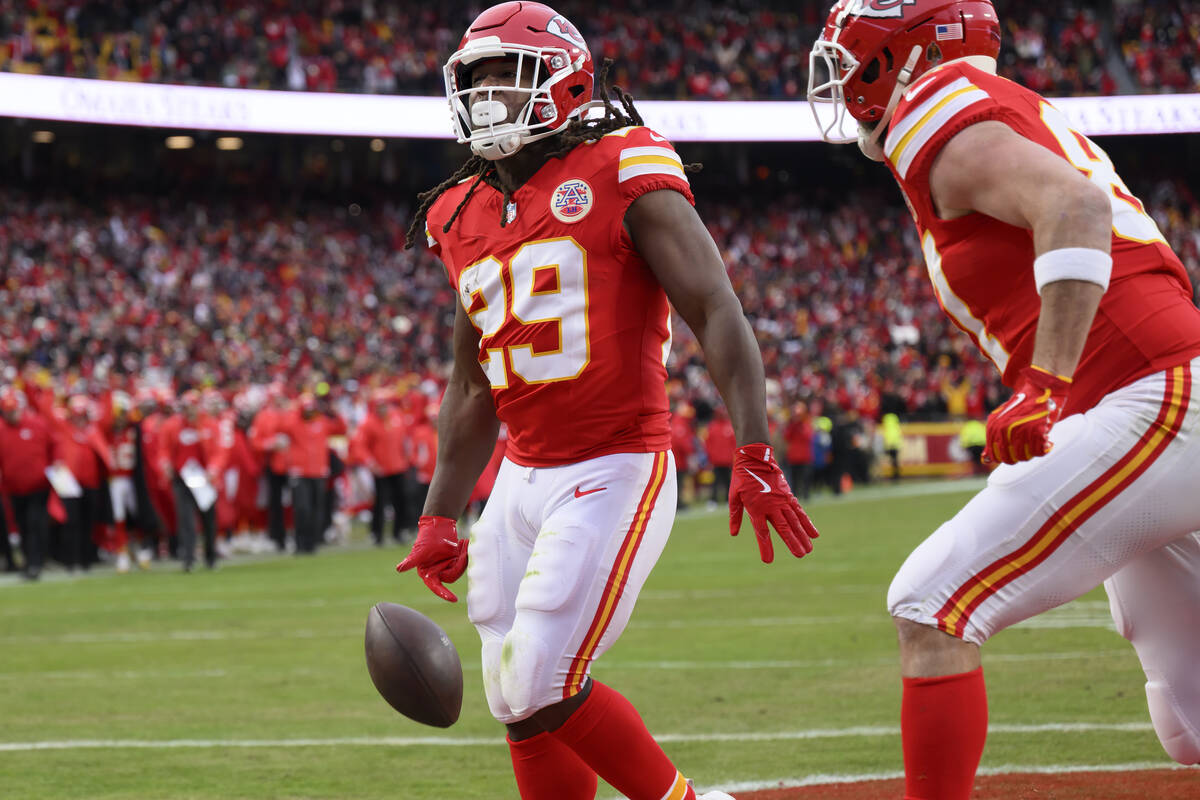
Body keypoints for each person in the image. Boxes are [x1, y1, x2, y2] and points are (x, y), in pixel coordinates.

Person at [397, 5, 819, 800]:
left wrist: (754, 447)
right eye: (475, 80)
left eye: (507, 77)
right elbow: (470, 380)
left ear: (569, 82)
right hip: (520, 480)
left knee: (542, 682)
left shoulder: (621, 166)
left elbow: (716, 308)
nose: (488, 97)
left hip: (614, 462)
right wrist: (439, 513)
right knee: (512, 699)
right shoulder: (459, 212)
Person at [808, 2, 1200, 797]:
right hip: (1155, 391)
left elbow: (1076, 208)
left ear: (904, 55)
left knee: (931, 601)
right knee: (1190, 724)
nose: (839, 78)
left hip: (1149, 389)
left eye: (850, 57)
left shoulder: (934, 101)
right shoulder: (989, 108)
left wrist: (1043, 383)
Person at [0, 387, 55, 579]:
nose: (10, 415)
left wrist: (55, 467)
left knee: (34, 524)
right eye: (6, 412)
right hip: (14, 488)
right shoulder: (1, 429)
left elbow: (54, 446)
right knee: (22, 526)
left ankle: (36, 562)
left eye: (13, 411)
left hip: (38, 486)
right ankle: (29, 561)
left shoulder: (37, 424)